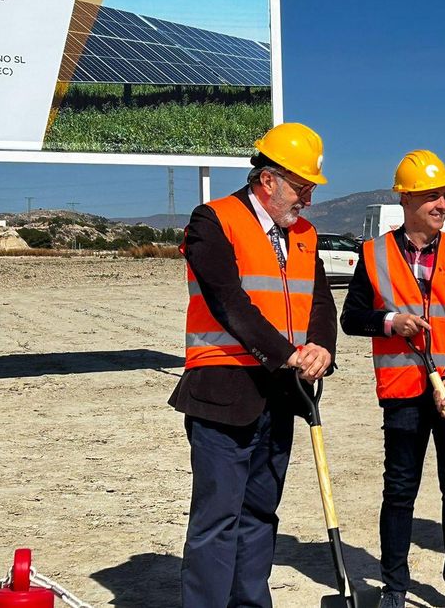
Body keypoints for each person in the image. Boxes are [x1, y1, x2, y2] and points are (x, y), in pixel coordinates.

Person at [170, 122, 337, 607]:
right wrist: (289, 354)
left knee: (261, 513)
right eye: (301, 188)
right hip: (223, 392)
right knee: (217, 518)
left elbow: (320, 303)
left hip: (282, 395)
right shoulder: (213, 220)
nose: (306, 199)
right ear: (269, 181)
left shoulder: (304, 235)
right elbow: (229, 302)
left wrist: (322, 349)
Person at [340, 150, 445, 608]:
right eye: (431, 196)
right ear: (405, 200)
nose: (441, 204)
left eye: (444, 195)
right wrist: (389, 322)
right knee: (400, 490)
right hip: (403, 394)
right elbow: (352, 318)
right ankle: (395, 587)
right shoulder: (374, 253)